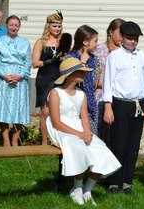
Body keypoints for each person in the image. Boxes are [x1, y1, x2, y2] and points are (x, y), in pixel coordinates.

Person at [46, 57, 121, 205]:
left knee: (101, 150)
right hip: (61, 129)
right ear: (70, 74)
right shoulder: (56, 93)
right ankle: (77, 189)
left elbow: (84, 118)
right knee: (78, 147)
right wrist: (80, 135)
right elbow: (56, 122)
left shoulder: (81, 94)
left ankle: (87, 190)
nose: (85, 74)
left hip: (79, 127)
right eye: (81, 71)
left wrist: (87, 133)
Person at [103, 21, 144, 195]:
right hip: (120, 104)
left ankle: (127, 181)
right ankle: (114, 182)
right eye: (130, 38)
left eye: (136, 39)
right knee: (119, 143)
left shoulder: (141, 55)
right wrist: (108, 107)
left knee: (133, 145)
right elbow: (108, 83)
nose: (133, 42)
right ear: (122, 37)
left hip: (138, 104)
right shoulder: (114, 56)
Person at [0, 15, 32, 147]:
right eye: (11, 25)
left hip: (20, 81)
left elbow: (28, 63)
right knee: (4, 108)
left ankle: (15, 140)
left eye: (16, 25)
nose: (13, 27)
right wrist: (3, 75)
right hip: (3, 79)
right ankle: (5, 140)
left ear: (19, 27)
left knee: (19, 109)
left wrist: (21, 75)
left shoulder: (25, 43)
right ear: (7, 26)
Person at [32, 11, 63, 145]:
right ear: (48, 26)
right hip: (45, 79)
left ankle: (56, 140)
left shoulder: (63, 42)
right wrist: (51, 60)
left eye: (59, 26)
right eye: (54, 26)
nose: (57, 29)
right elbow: (35, 63)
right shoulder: (41, 42)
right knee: (45, 111)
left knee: (59, 111)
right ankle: (44, 142)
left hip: (60, 78)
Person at [94, 18, 125, 147]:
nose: (122, 37)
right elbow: (94, 77)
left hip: (120, 96)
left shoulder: (126, 52)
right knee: (100, 130)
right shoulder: (99, 50)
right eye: (120, 33)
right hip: (101, 95)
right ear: (111, 32)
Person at [66, 25, 100, 135]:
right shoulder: (70, 59)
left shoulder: (94, 59)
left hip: (90, 105)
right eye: (95, 41)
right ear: (85, 42)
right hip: (73, 106)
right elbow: (73, 82)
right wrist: (83, 63)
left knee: (91, 137)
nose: (97, 44)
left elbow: (94, 84)